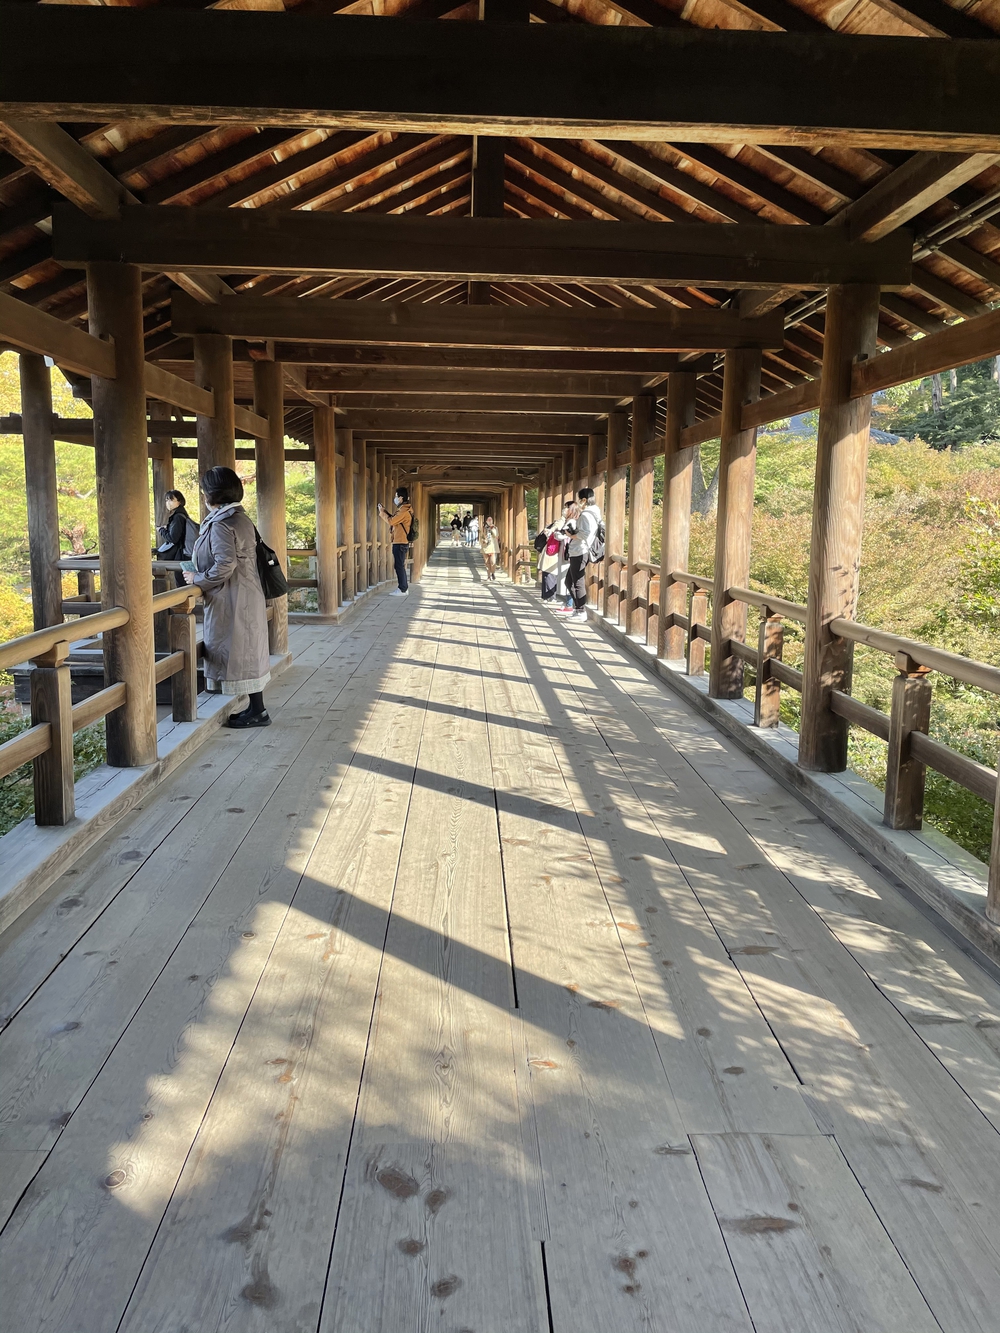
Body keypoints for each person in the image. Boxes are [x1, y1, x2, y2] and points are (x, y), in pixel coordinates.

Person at [183, 466, 271, 728]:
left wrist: (197, 579)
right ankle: (257, 709)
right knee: (248, 651)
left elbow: (224, 564)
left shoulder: (221, 524)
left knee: (242, 650)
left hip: (233, 596)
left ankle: (258, 712)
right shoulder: (239, 518)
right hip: (245, 592)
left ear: (211, 493)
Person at [559, 488, 603, 623]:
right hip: (580, 550)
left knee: (577, 582)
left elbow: (584, 534)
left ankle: (581, 611)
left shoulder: (586, 515)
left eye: (579, 499)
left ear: (584, 500)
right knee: (569, 581)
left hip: (580, 550)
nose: (578, 502)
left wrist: (570, 534)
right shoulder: (595, 513)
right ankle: (578, 609)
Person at [155, 489, 199, 587]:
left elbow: (173, 538)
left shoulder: (178, 517)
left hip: (182, 555)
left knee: (182, 585)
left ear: (179, 501)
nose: (168, 502)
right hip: (187, 554)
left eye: (171, 500)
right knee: (186, 584)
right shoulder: (182, 515)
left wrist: (161, 530)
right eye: (166, 500)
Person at [378, 486, 414, 596]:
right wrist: (384, 511)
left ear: (401, 498)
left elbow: (391, 521)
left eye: (396, 496)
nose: (395, 498)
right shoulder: (404, 509)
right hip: (400, 541)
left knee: (399, 566)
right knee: (399, 565)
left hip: (400, 541)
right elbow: (394, 519)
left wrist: (382, 512)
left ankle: (402, 589)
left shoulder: (403, 511)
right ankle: (403, 588)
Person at [538, 502, 573, 606]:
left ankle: (549, 596)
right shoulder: (562, 521)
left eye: (566, 508)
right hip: (554, 551)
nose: (564, 509)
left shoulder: (566, 521)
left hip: (554, 551)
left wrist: (552, 531)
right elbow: (557, 529)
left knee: (549, 574)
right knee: (550, 574)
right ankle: (550, 597)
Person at [480, 515, 500, 580]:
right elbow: (481, 536)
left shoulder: (495, 528)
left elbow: (496, 535)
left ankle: (493, 573)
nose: (490, 521)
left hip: (493, 547)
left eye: (491, 520)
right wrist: (483, 540)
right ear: (486, 521)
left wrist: (492, 529)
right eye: (488, 520)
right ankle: (488, 576)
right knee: (487, 562)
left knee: (493, 562)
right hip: (485, 547)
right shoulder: (484, 528)